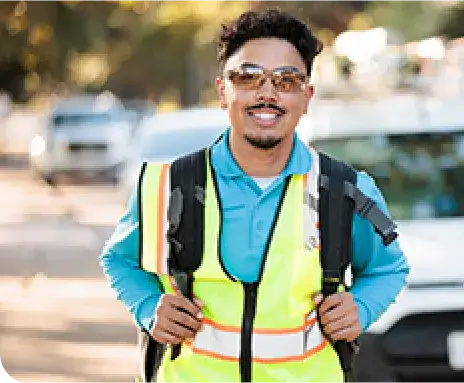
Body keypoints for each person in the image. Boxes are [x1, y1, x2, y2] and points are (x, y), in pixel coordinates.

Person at [99, 8, 410, 382]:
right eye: (248, 77)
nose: (267, 93)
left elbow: (389, 268)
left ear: (307, 96)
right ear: (222, 90)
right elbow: (120, 261)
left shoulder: (344, 190)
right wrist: (150, 307)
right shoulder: (166, 185)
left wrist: (360, 306)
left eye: (287, 80)